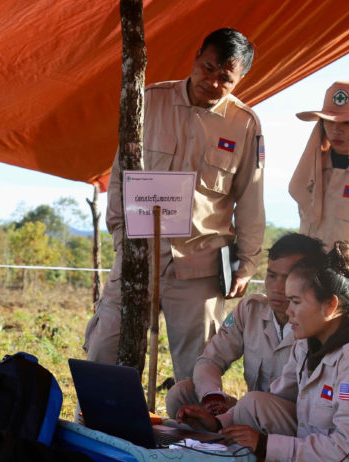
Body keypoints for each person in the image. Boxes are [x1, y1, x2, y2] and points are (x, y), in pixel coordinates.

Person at [83, 28, 266, 382]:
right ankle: (98, 430)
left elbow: (251, 198)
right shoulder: (149, 100)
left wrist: (247, 264)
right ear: (196, 57)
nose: (212, 82)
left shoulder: (244, 124)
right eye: (208, 68)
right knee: (104, 351)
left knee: (197, 370)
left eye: (225, 78)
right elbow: (122, 169)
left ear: (240, 78)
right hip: (139, 254)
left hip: (201, 266)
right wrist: (122, 236)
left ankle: (190, 438)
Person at [178, 241, 349, 461]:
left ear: (330, 306)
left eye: (296, 302)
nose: (289, 311)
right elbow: (278, 398)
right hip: (323, 449)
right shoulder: (308, 344)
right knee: (253, 402)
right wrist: (217, 424)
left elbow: (347, 451)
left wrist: (265, 446)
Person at [164, 233, 325, 419]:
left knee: (254, 404)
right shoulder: (250, 310)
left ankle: (221, 435)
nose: (277, 288)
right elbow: (210, 360)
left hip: (293, 422)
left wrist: (228, 418)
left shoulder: (318, 325)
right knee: (181, 393)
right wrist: (212, 398)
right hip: (251, 410)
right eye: (271, 276)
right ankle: (200, 444)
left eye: (288, 277)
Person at [289, 82, 349, 249]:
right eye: (329, 121)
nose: (336, 130)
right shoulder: (311, 170)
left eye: (347, 123)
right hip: (309, 270)